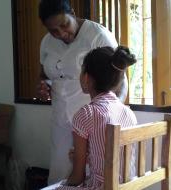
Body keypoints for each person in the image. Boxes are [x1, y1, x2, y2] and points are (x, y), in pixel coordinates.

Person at [37, 0, 128, 184]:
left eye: (64, 25)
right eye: (53, 30)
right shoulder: (46, 43)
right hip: (61, 119)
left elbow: (119, 80)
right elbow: (45, 73)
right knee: (60, 170)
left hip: (92, 120)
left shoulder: (98, 36)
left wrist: (108, 120)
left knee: (90, 172)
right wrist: (43, 85)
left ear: (72, 12)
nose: (61, 33)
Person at [43, 46, 137, 190]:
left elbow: (77, 178)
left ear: (86, 78)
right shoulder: (128, 113)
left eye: (81, 70)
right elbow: (115, 158)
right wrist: (88, 157)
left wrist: (62, 185)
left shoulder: (86, 114)